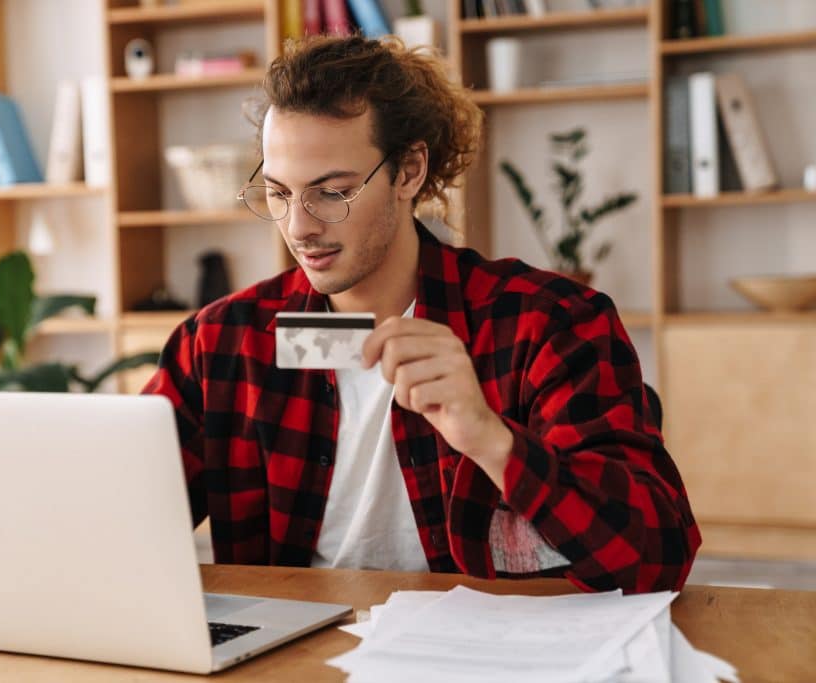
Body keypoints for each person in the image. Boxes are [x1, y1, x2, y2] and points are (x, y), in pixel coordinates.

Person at [142, 35, 701, 594]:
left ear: (409, 171)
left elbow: (658, 558)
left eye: (332, 192)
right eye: (278, 193)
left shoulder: (548, 324)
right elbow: (115, 517)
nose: (299, 227)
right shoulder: (219, 345)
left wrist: (492, 440)